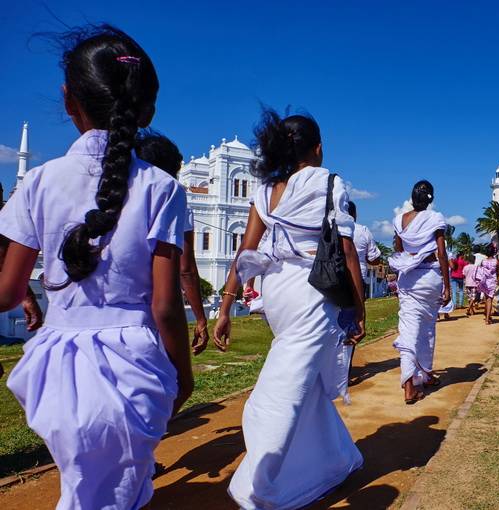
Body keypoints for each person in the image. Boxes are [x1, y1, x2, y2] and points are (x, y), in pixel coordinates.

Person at [0, 26, 192, 509]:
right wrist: (182, 375)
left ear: (69, 101)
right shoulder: (162, 188)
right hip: (136, 367)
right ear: (147, 107)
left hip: (57, 373)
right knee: (118, 492)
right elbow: (165, 305)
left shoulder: (39, 182)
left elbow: (6, 292)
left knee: (84, 488)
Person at [213, 110, 365, 509]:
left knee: (305, 382)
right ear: (317, 148)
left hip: (275, 290)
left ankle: (334, 459)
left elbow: (245, 251)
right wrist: (359, 306)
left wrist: (226, 308)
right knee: (280, 391)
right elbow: (347, 252)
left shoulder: (265, 190)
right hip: (312, 292)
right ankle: (258, 487)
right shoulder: (329, 183)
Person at [135, 130, 209, 354]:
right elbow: (185, 269)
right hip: (149, 311)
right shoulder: (175, 198)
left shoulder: (115, 194)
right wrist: (200, 319)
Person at [389, 180, 450, 404]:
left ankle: (412, 382)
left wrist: (403, 272)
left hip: (408, 279)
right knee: (426, 329)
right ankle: (422, 376)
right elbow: (441, 254)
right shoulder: (435, 218)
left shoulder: (399, 220)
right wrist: (447, 285)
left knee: (408, 330)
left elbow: (398, 251)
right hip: (430, 279)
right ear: (431, 199)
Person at [348, 200, 382, 298]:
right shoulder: (363, 231)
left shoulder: (334, 229)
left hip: (337, 277)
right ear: (355, 214)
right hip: (358, 277)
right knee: (357, 310)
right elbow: (375, 260)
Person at [476, 244, 499, 324]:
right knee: (490, 299)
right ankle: (487, 318)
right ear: (494, 252)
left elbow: (481, 270)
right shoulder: (496, 261)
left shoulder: (483, 261)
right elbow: (498, 271)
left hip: (484, 281)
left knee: (487, 299)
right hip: (492, 282)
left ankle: (487, 315)